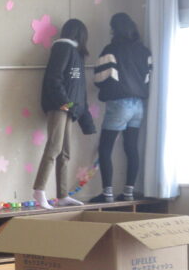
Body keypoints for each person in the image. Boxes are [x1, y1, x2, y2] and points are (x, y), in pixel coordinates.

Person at [33, 18, 97, 209]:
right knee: (54, 148)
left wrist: (84, 118)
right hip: (60, 107)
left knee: (65, 152)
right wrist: (64, 102)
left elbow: (78, 89)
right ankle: (39, 190)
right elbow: (54, 78)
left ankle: (62, 195)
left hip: (69, 108)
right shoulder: (63, 48)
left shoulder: (76, 54)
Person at [92, 12, 152, 202]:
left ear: (114, 29)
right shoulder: (144, 51)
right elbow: (147, 78)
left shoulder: (111, 50)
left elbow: (100, 77)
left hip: (119, 103)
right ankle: (128, 193)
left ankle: (107, 193)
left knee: (105, 147)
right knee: (131, 148)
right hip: (139, 104)